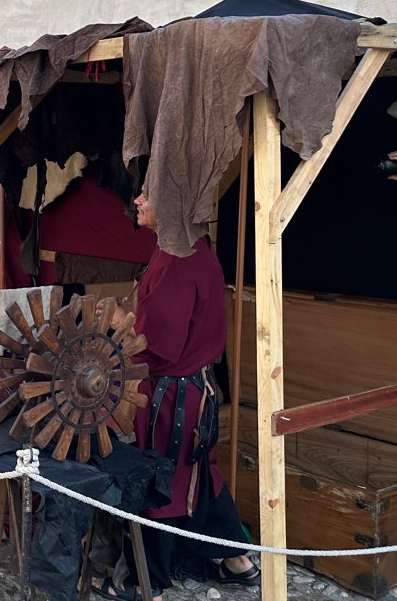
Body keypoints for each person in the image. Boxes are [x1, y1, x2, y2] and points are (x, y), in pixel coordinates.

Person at [95, 193, 259, 601]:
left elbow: (159, 344)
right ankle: (238, 560)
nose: (137, 200)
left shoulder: (179, 261)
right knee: (198, 475)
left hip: (171, 396)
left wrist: (114, 345)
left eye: (149, 194)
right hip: (190, 389)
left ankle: (143, 586)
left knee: (159, 484)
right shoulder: (190, 249)